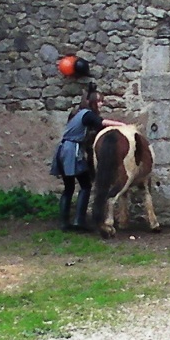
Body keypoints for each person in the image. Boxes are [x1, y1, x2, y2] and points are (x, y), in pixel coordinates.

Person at [50, 82, 126, 231]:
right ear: (93, 102)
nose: (101, 104)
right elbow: (102, 123)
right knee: (85, 185)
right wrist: (121, 125)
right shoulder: (87, 114)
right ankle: (79, 221)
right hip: (72, 150)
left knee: (69, 187)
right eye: (99, 101)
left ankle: (64, 223)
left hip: (63, 149)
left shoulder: (77, 113)